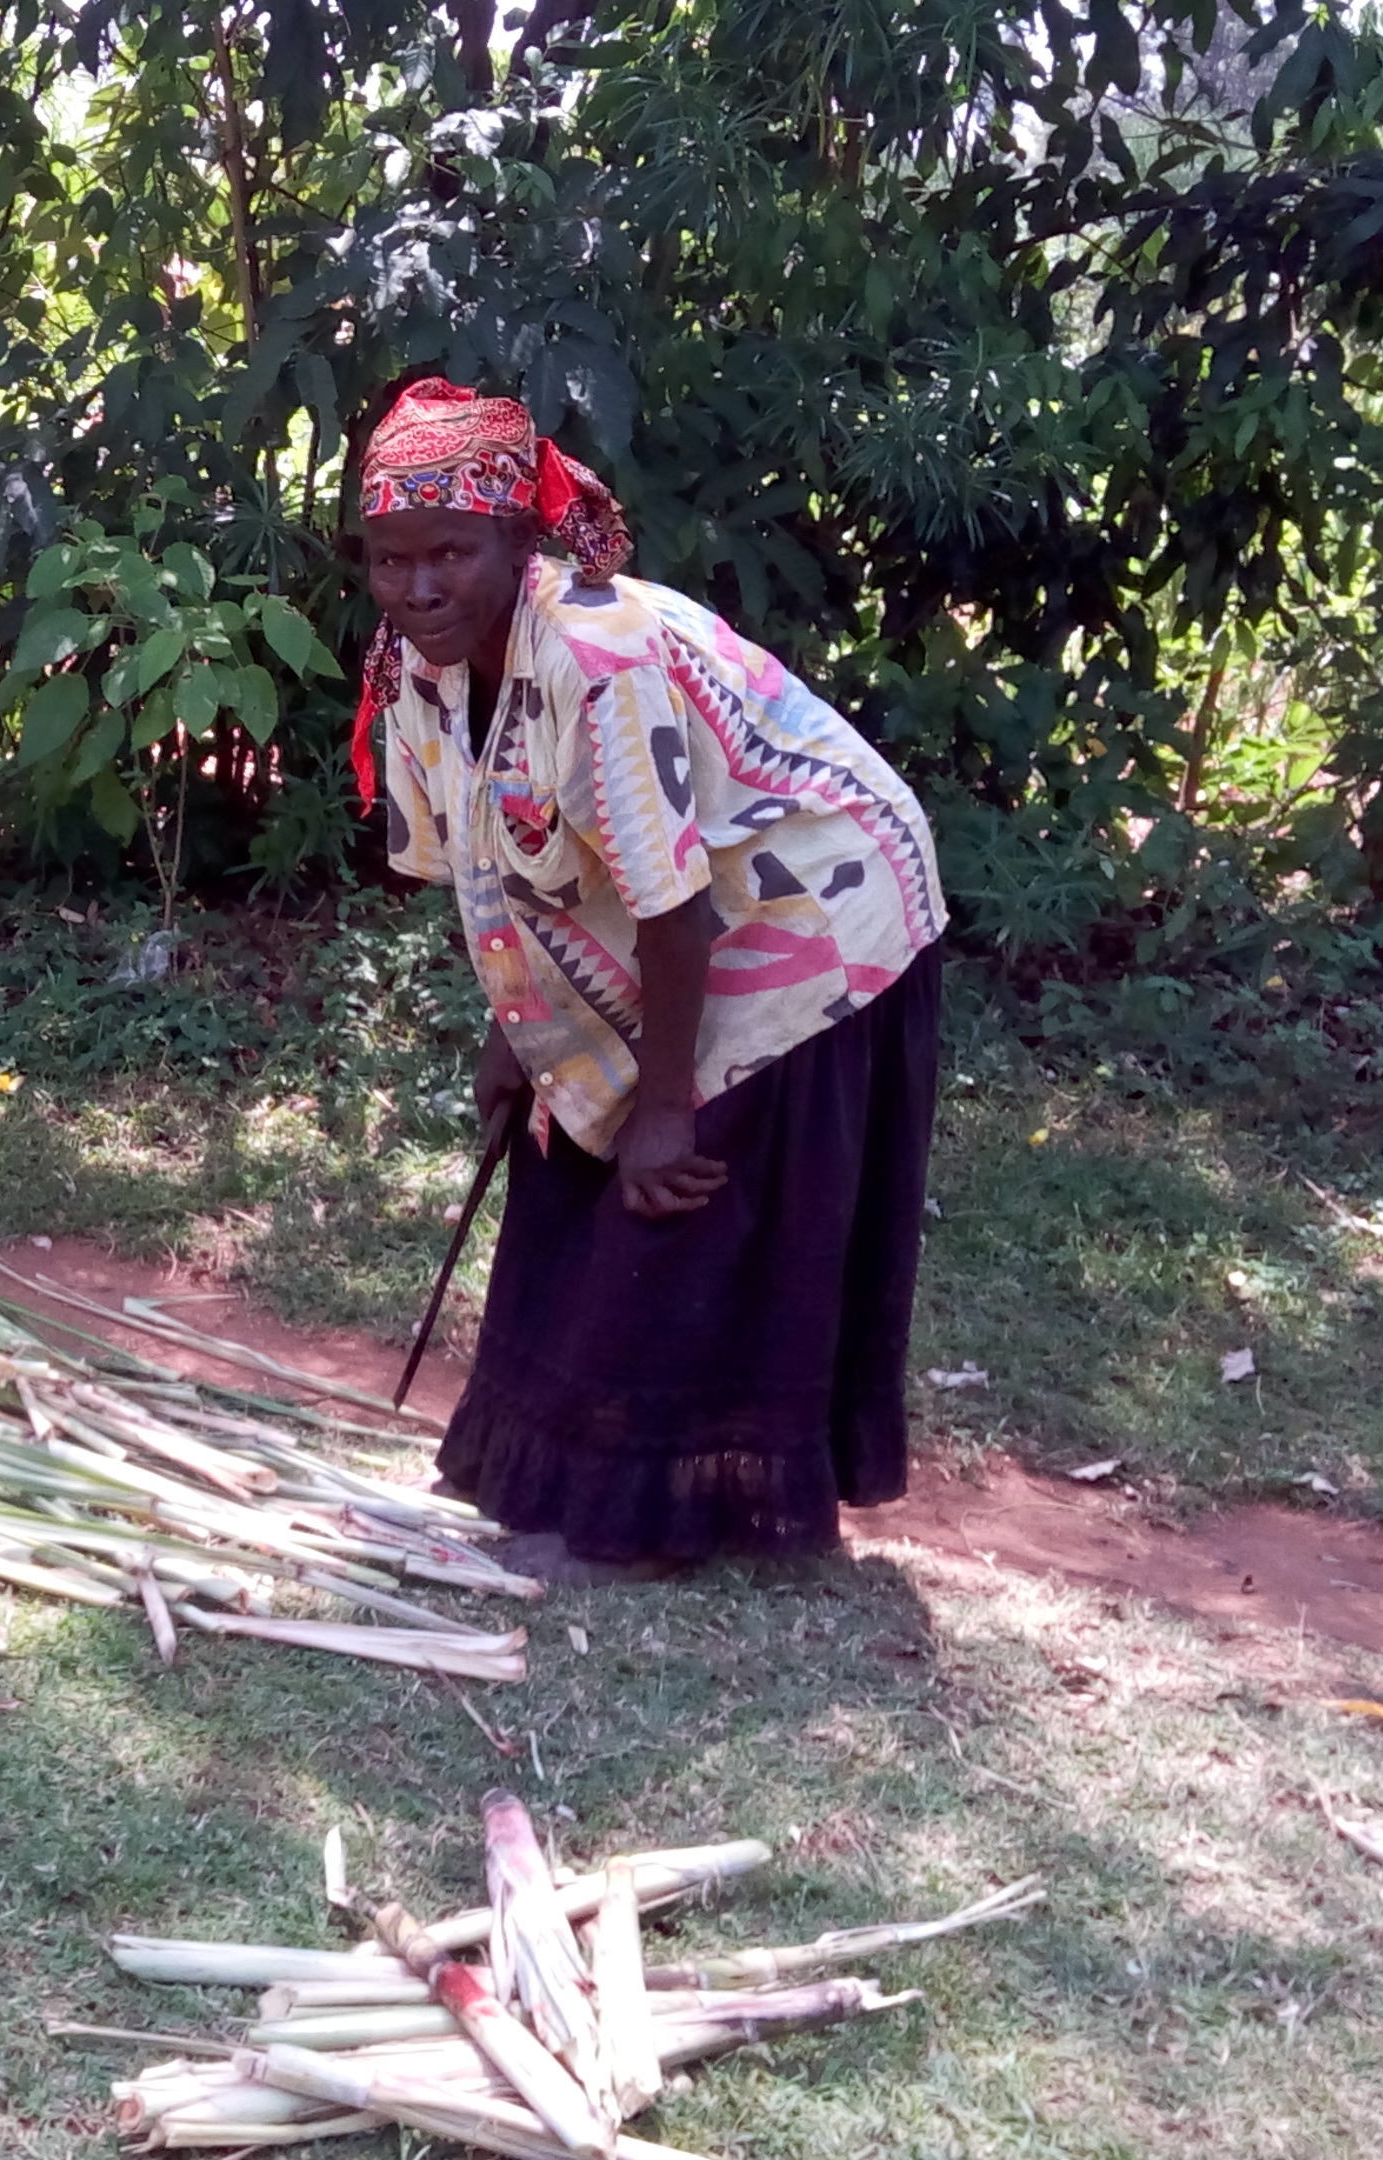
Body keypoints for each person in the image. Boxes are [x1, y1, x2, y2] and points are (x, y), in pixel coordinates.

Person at [353, 377, 947, 1580]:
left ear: (519, 543)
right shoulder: (414, 663)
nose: (419, 588)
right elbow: (485, 858)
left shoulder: (596, 656)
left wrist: (666, 1105)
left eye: (451, 554)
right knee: (574, 1157)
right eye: (391, 560)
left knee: (678, 1190)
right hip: (679, 912)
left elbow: (674, 910)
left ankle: (652, 1519)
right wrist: (515, 1038)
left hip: (817, 900)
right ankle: (546, 1479)